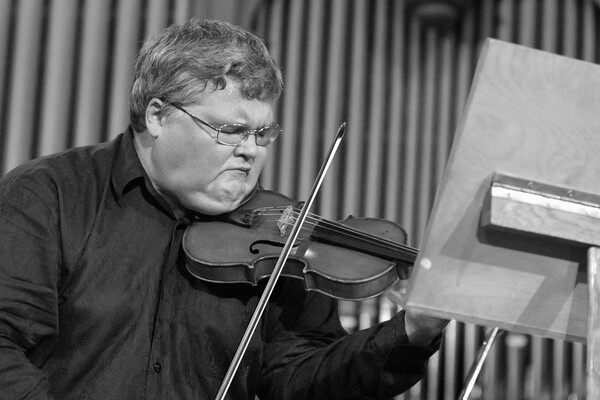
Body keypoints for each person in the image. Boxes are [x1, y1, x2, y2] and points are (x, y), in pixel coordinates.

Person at [0, 18, 448, 400]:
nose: (251, 151)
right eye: (231, 131)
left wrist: (412, 331)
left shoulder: (283, 244)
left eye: (263, 134)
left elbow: (302, 379)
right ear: (157, 116)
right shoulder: (50, 195)